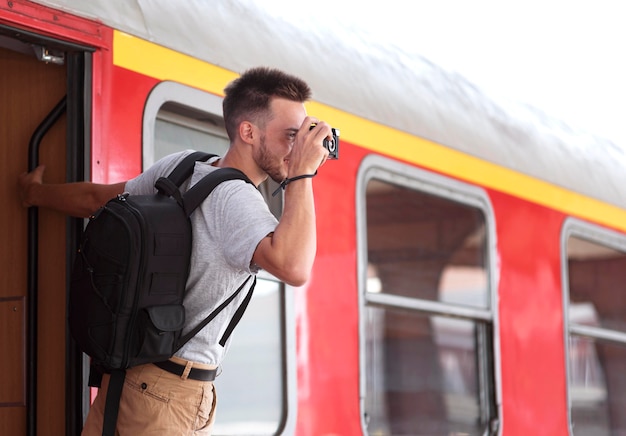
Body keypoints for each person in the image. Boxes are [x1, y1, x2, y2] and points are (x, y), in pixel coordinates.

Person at [18, 66, 331, 435]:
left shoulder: (184, 166)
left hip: (127, 375)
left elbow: (94, 199)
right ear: (248, 131)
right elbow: (293, 268)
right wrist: (302, 175)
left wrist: (34, 193)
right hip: (172, 393)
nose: (297, 149)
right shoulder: (239, 200)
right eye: (291, 136)